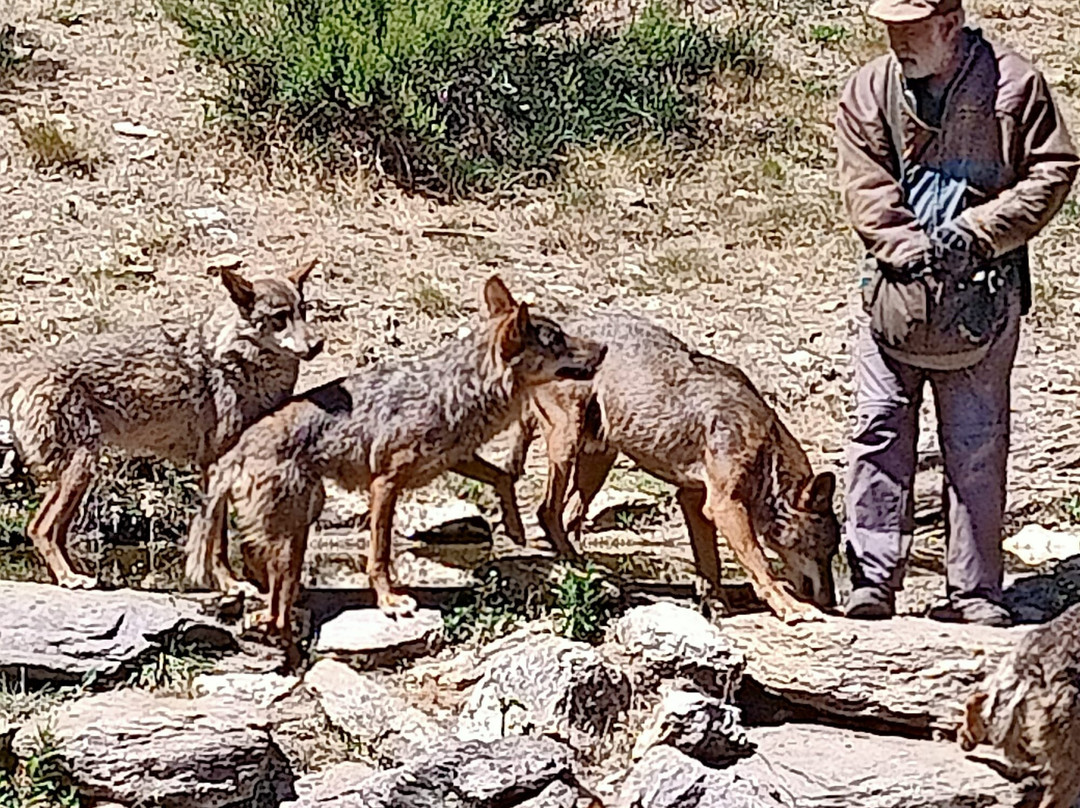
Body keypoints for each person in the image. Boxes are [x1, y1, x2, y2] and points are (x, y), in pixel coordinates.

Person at [836, 0, 1078, 625]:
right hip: (890, 298)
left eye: (909, 30)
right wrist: (911, 249)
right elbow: (866, 188)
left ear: (948, 24)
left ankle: (975, 591)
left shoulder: (1016, 84)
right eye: (888, 30)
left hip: (984, 297)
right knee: (877, 432)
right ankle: (871, 579)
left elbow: (1053, 169)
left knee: (975, 443)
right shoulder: (868, 89)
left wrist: (978, 232)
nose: (897, 42)